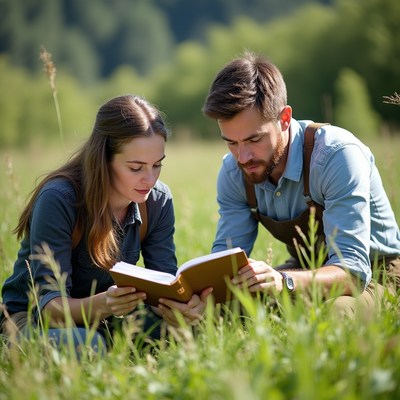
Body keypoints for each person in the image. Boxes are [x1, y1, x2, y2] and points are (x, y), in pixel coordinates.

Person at [1, 95, 211, 355]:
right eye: (136, 168)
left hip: (111, 317)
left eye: (157, 165)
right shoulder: (59, 199)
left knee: (198, 328)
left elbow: (164, 284)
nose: (150, 178)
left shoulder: (158, 200)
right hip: (35, 319)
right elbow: (49, 310)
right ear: (103, 159)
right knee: (86, 345)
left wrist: (180, 308)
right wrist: (104, 305)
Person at [202, 51, 400, 316]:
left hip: (377, 275)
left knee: (334, 315)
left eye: (253, 140)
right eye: (231, 142)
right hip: (303, 270)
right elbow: (225, 266)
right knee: (217, 310)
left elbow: (353, 274)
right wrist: (199, 298)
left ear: (284, 119)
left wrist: (284, 282)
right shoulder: (233, 171)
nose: (242, 156)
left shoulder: (337, 156)